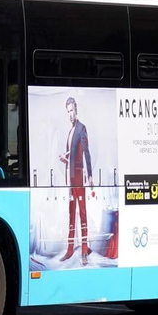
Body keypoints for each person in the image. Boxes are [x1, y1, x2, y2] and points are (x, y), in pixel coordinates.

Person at [58, 97, 94, 262]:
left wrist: (91, 175)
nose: (70, 114)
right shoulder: (70, 131)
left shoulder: (81, 128)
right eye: (68, 112)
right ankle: (70, 248)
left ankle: (85, 250)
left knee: (82, 212)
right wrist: (65, 158)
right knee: (71, 212)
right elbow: (73, 153)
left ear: (76, 109)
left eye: (72, 110)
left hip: (79, 176)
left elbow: (86, 152)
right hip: (71, 177)